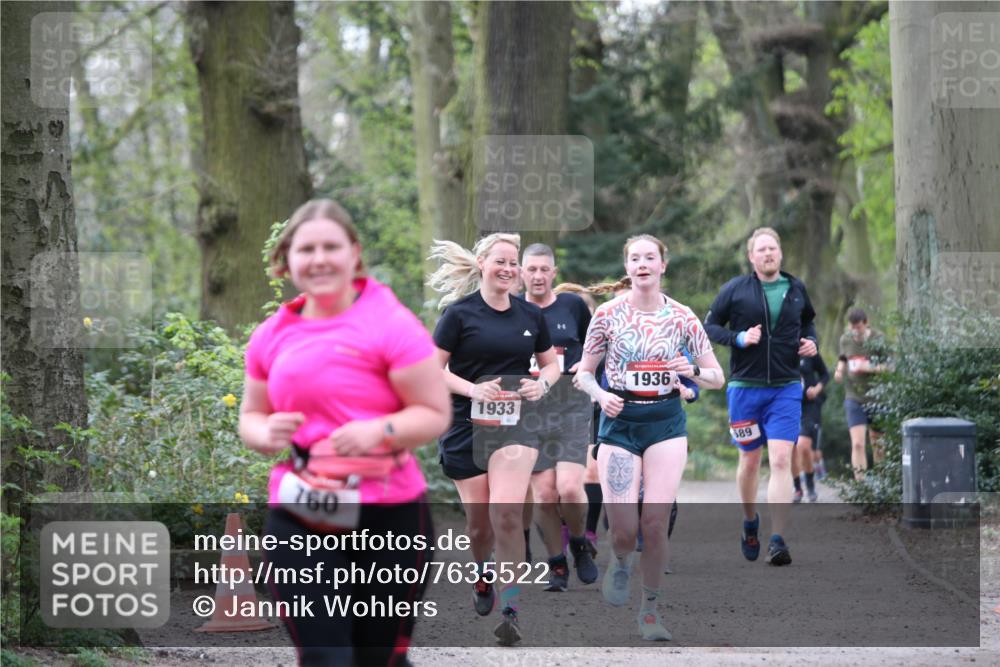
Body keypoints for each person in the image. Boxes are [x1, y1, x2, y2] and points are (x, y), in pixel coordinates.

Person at [239, 199, 451, 666]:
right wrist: (265, 430)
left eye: (330, 246)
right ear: (287, 260)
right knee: (325, 658)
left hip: (390, 516)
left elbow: (435, 413)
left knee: (379, 659)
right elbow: (250, 418)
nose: (319, 259)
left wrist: (381, 429)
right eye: (306, 248)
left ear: (354, 253)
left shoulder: (391, 324)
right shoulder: (271, 335)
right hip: (301, 511)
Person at [574, 234, 724, 641]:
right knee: (623, 529)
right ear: (627, 268)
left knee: (654, 523)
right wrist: (601, 394)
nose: (642, 264)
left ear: (662, 266)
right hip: (620, 423)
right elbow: (583, 372)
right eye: (635, 258)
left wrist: (689, 371)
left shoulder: (682, 317)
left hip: (666, 424)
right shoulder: (606, 315)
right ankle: (620, 561)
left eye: (650, 257)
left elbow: (716, 376)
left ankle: (651, 611)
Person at [428, 233, 561, 646]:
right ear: (482, 263)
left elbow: (551, 365)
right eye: (500, 261)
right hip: (466, 423)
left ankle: (511, 608)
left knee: (505, 514)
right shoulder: (458, 314)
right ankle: (482, 573)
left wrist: (543, 385)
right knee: (478, 526)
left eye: (513, 262)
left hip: (515, 424)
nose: (508, 269)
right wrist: (472, 390)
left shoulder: (529, 316)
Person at [705, 226, 818, 567]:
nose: (768, 254)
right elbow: (709, 327)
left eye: (773, 249)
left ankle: (778, 539)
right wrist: (739, 338)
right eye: (761, 250)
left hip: (785, 387)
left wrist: (813, 342)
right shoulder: (735, 289)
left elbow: (809, 324)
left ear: (780, 253)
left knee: (782, 460)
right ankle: (750, 520)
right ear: (751, 257)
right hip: (745, 389)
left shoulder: (796, 288)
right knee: (750, 461)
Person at [519, 244, 598, 591]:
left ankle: (579, 542)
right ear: (521, 272)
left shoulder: (573, 306)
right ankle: (557, 563)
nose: (537, 276)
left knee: (569, 487)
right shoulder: (512, 311)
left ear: (554, 273)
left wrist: (587, 365)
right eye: (531, 269)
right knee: (545, 494)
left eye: (543, 269)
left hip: (571, 407)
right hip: (530, 413)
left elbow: (597, 344)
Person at [834, 308, 888, 480]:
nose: (855, 331)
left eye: (858, 327)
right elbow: (843, 357)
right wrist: (839, 370)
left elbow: (891, 366)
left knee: (878, 443)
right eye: (853, 327)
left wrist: (869, 367)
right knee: (857, 444)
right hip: (853, 397)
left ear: (866, 323)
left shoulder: (878, 339)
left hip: (876, 396)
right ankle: (861, 487)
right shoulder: (846, 339)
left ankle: (882, 483)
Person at [793, 351, 829, 502]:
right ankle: (797, 489)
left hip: (809, 407)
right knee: (790, 450)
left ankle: (810, 484)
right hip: (788, 405)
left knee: (803, 446)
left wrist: (816, 389)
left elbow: (825, 374)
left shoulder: (808, 349)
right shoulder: (778, 347)